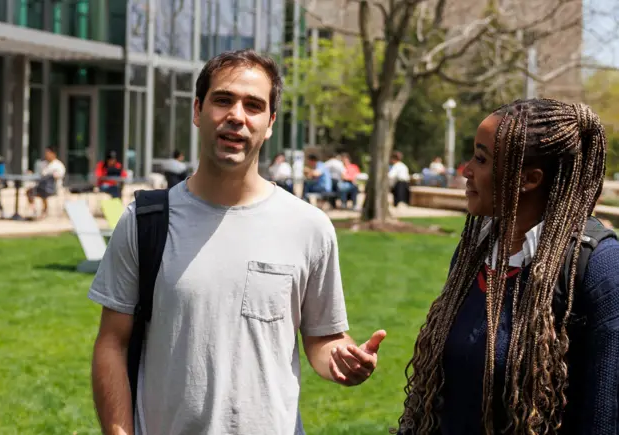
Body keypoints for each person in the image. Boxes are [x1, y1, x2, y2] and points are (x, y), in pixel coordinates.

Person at [88, 49, 385, 435]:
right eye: (223, 100)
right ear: (197, 110)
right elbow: (112, 343)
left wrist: (342, 358)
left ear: (270, 122)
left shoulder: (309, 227)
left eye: (254, 105)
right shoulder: (145, 221)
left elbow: (322, 338)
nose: (237, 116)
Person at [396, 99, 619, 434]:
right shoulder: (478, 250)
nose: (466, 170)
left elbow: (604, 417)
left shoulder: (598, 268)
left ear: (529, 179)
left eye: (481, 159)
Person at [26, 147, 66, 219]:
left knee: (43, 192)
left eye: (48, 153)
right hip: (42, 186)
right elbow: (40, 175)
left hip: (53, 188)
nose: (46, 155)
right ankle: (34, 210)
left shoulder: (58, 165)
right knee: (29, 191)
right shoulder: (44, 164)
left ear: (53, 154)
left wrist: (51, 176)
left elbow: (58, 176)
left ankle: (44, 211)